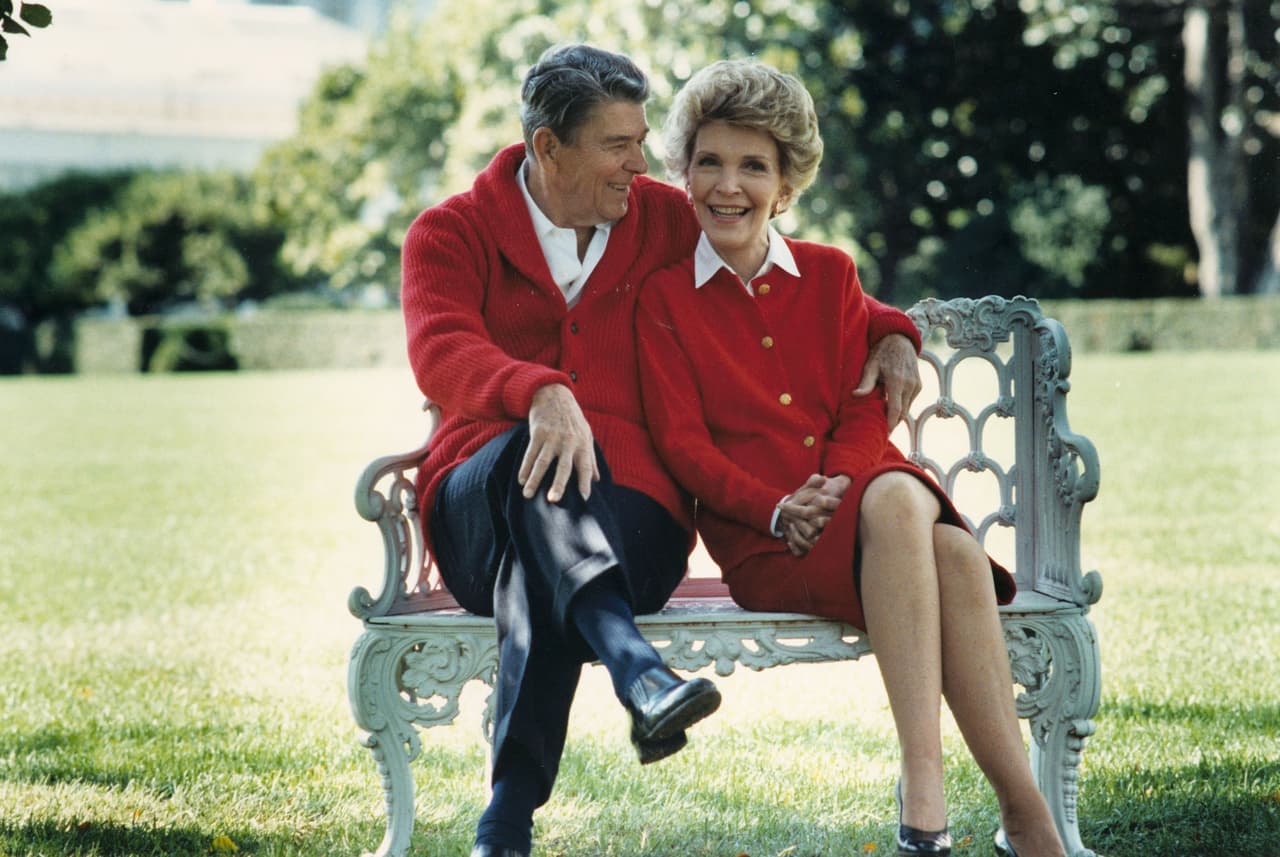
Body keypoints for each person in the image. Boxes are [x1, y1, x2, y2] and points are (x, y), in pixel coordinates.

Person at [400, 45, 925, 857]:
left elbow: (787, 273)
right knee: (529, 463)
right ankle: (636, 669)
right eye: (619, 146)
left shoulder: (659, 215)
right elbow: (441, 349)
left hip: (631, 521)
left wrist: (892, 332)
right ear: (548, 148)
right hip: (481, 506)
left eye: (642, 141)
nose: (641, 164)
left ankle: (505, 822)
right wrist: (540, 392)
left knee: (541, 562)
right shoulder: (450, 233)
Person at [635, 60, 1068, 857]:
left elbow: (867, 403)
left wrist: (834, 482)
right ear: (682, 172)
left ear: (786, 184)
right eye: (709, 162)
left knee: (947, 546)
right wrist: (778, 508)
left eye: (753, 166)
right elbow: (683, 446)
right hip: (769, 541)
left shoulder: (832, 273)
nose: (728, 186)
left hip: (865, 510)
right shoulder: (662, 298)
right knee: (925, 524)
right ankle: (942, 790)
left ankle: (1016, 814)